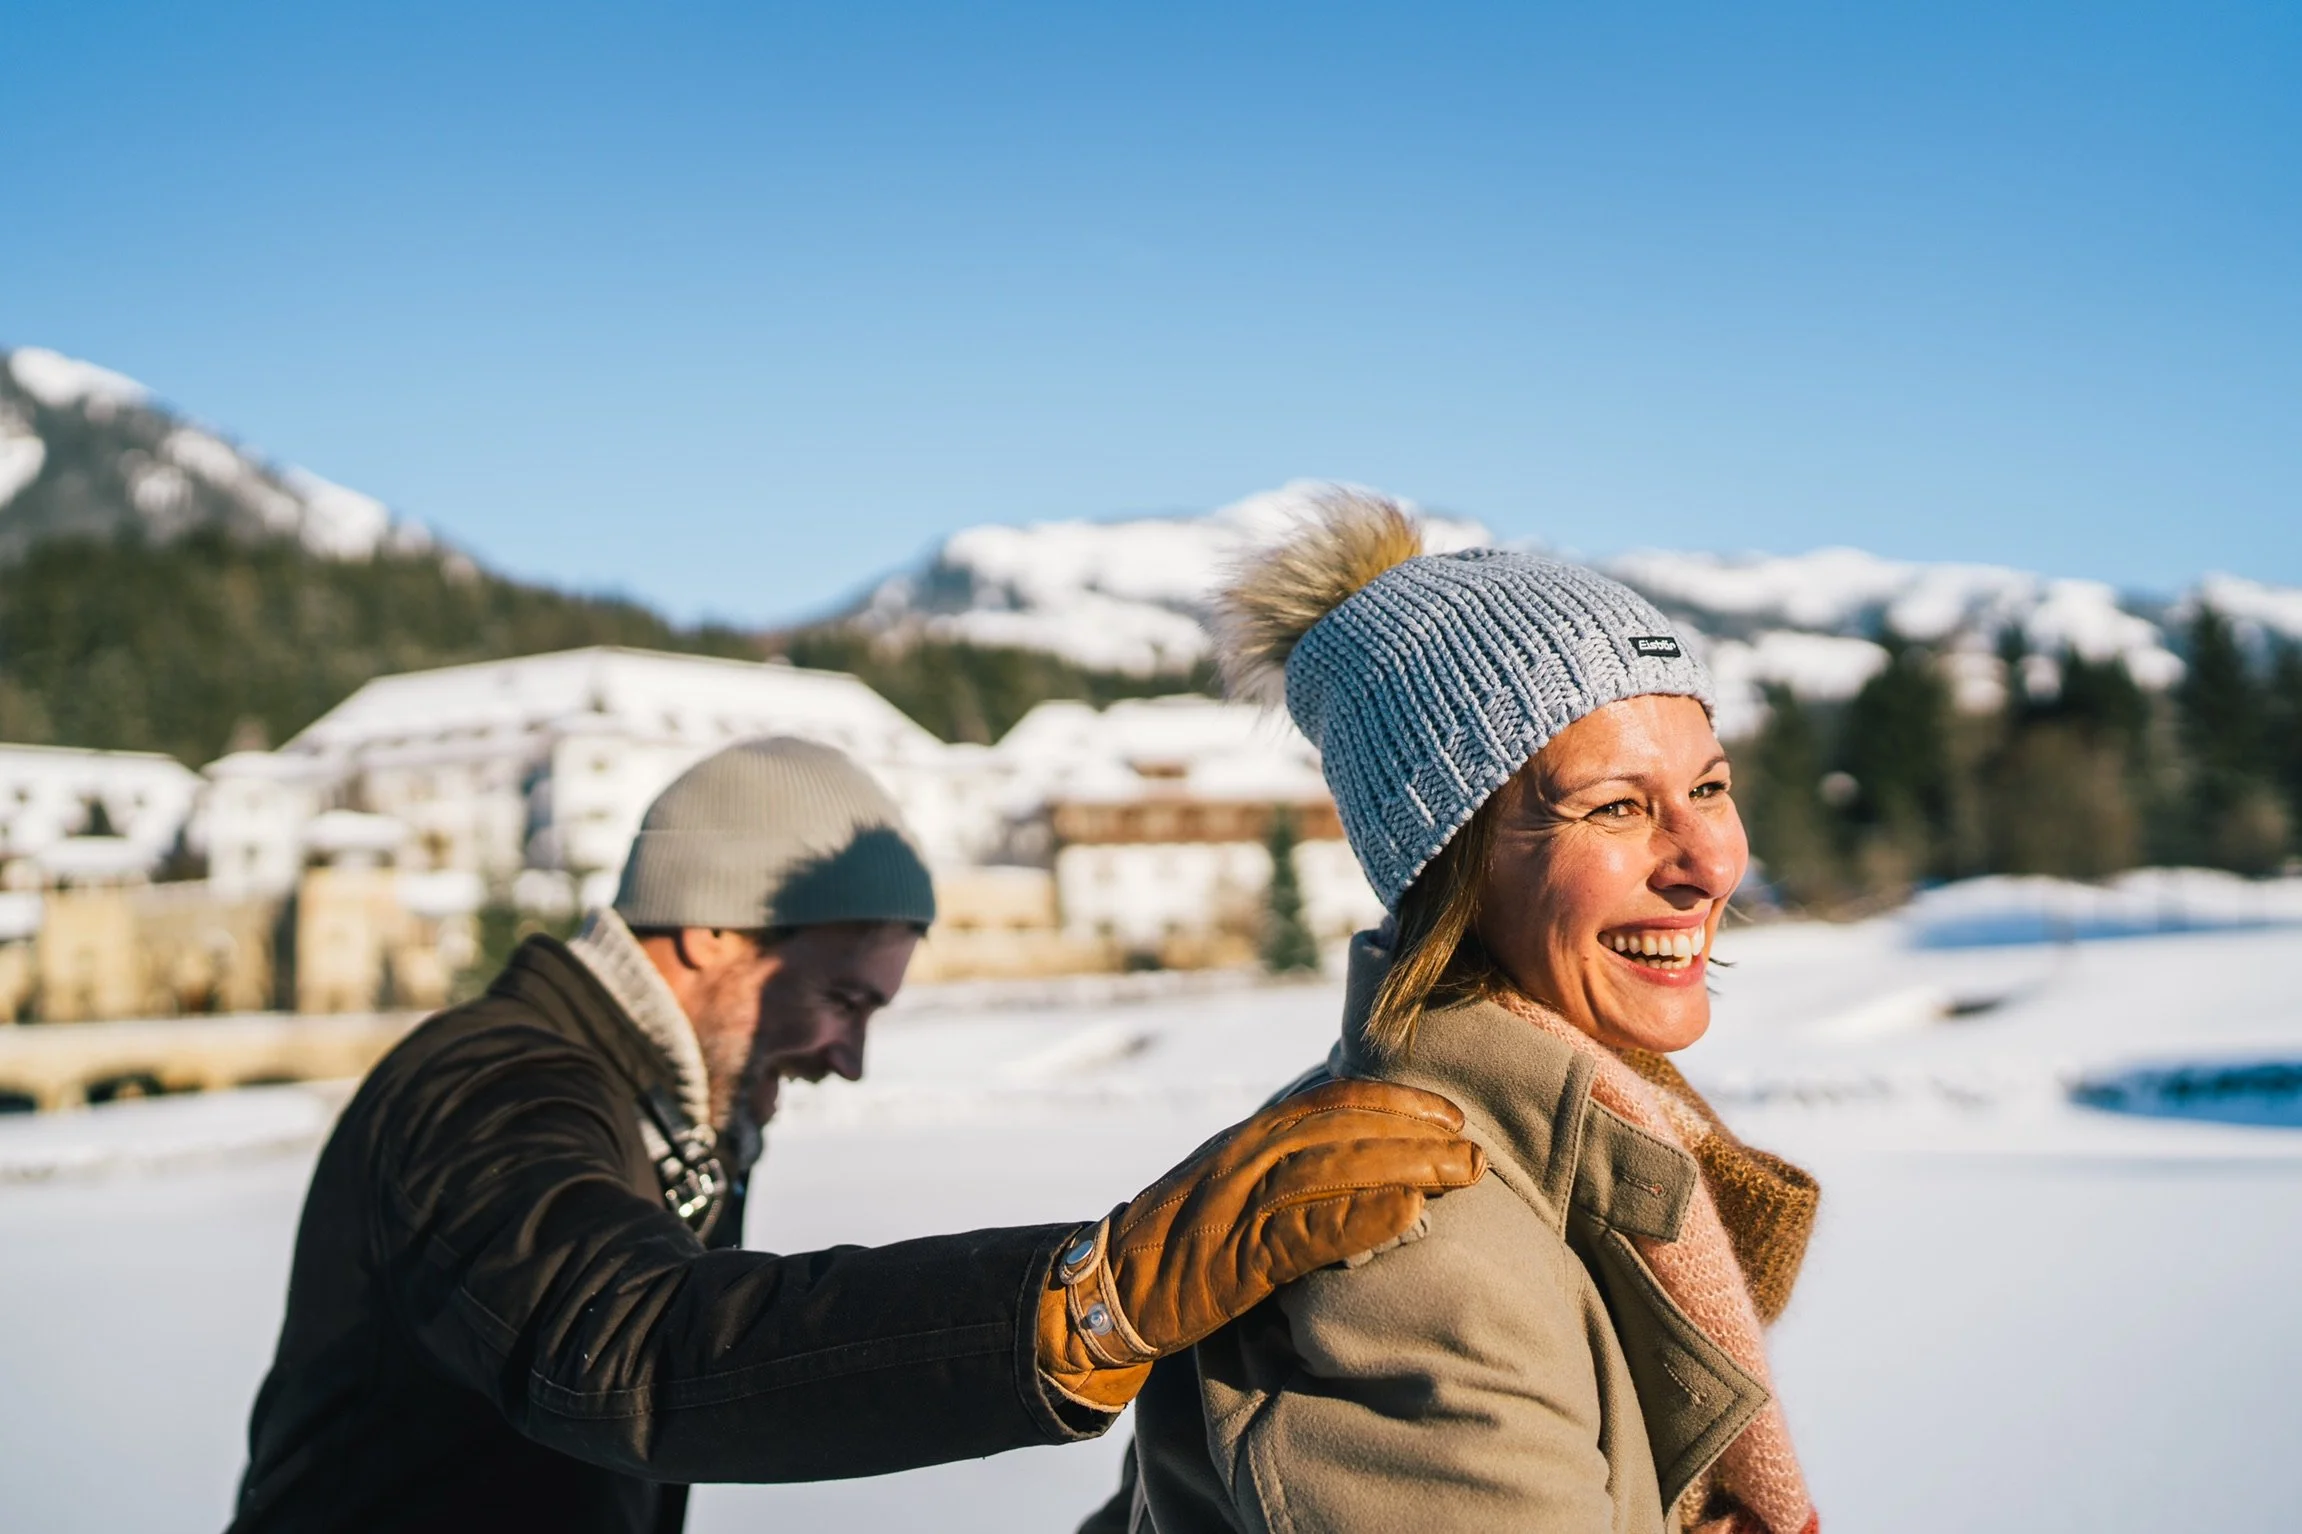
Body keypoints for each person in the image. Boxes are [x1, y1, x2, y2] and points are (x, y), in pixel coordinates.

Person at [230, 736, 1484, 1534]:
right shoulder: (492, 1087)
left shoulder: (677, 1108)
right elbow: (617, 1346)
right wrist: (1083, 1302)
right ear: (711, 930)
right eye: (841, 998)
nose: (848, 1057)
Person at [1092, 493, 1822, 1534]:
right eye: (1615, 805)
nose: (1709, 861)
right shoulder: (1408, 1245)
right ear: (1448, 864)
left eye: (1709, 788)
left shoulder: (1582, 1153)